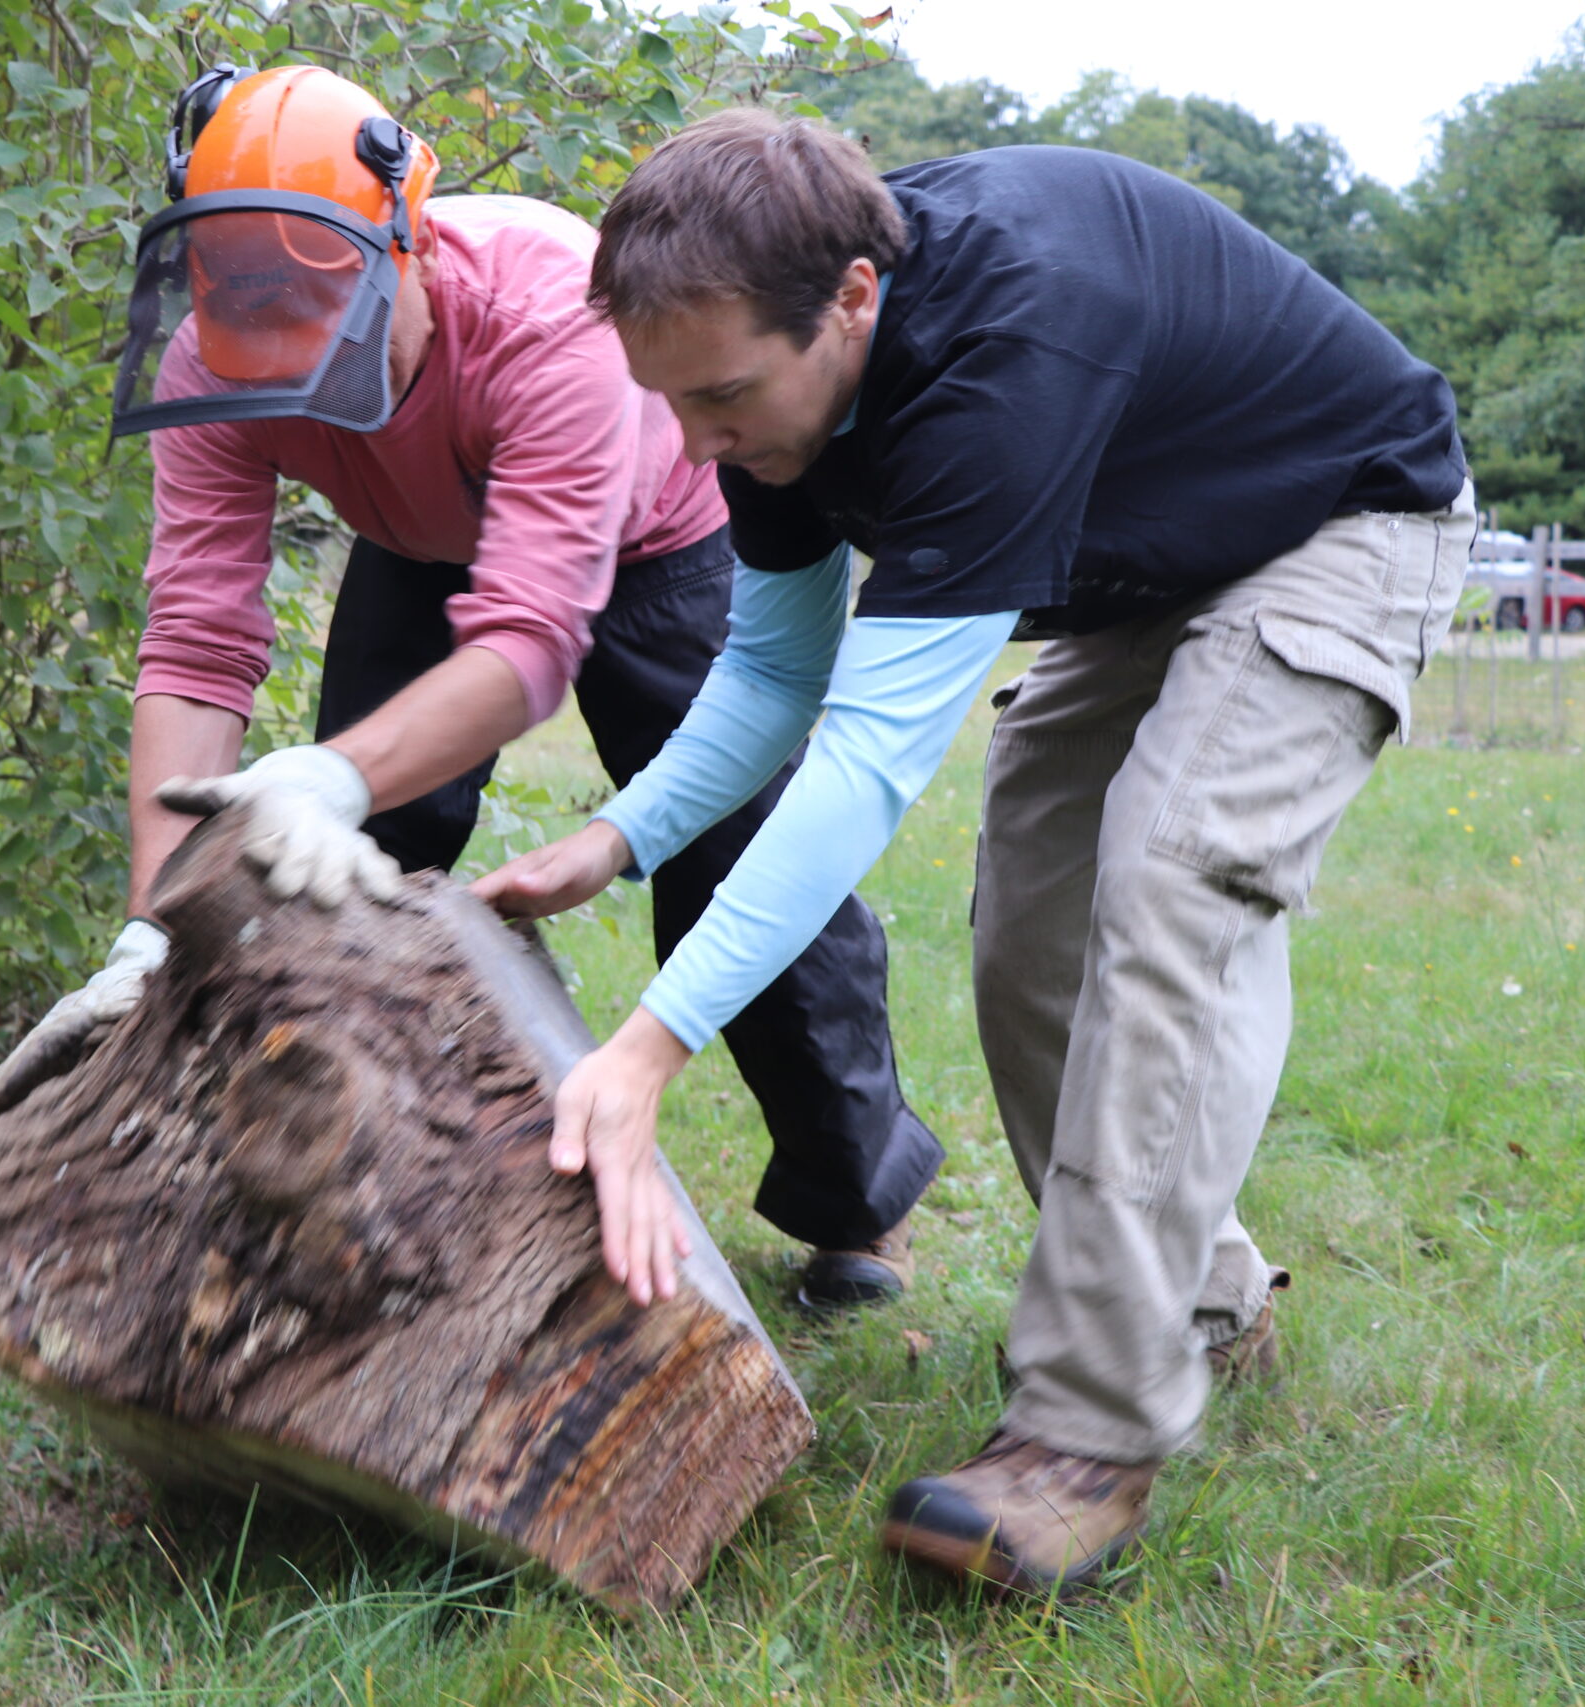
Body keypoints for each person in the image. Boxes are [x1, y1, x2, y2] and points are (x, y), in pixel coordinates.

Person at [474, 110, 1472, 1594]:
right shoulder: (756, 379)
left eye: (724, 396)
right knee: (1029, 931)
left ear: (857, 300)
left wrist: (649, 1046)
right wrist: (621, 836)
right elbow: (767, 681)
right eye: (669, 401)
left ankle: (1085, 1434)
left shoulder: (1008, 345)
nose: (694, 443)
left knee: (1168, 879)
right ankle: (1196, 1305)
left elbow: (869, 760)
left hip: (1342, 523)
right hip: (1145, 566)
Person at [0, 67, 946, 1312]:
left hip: (661, 532)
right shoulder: (211, 364)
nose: (299, 376)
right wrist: (152, 929)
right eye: (259, 339)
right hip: (418, 544)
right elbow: (196, 644)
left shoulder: (552, 318)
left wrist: (326, 767)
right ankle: (319, 1174)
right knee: (336, 854)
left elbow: (529, 643)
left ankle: (854, 1199)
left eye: (325, 336)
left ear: (409, 243)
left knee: (730, 848)